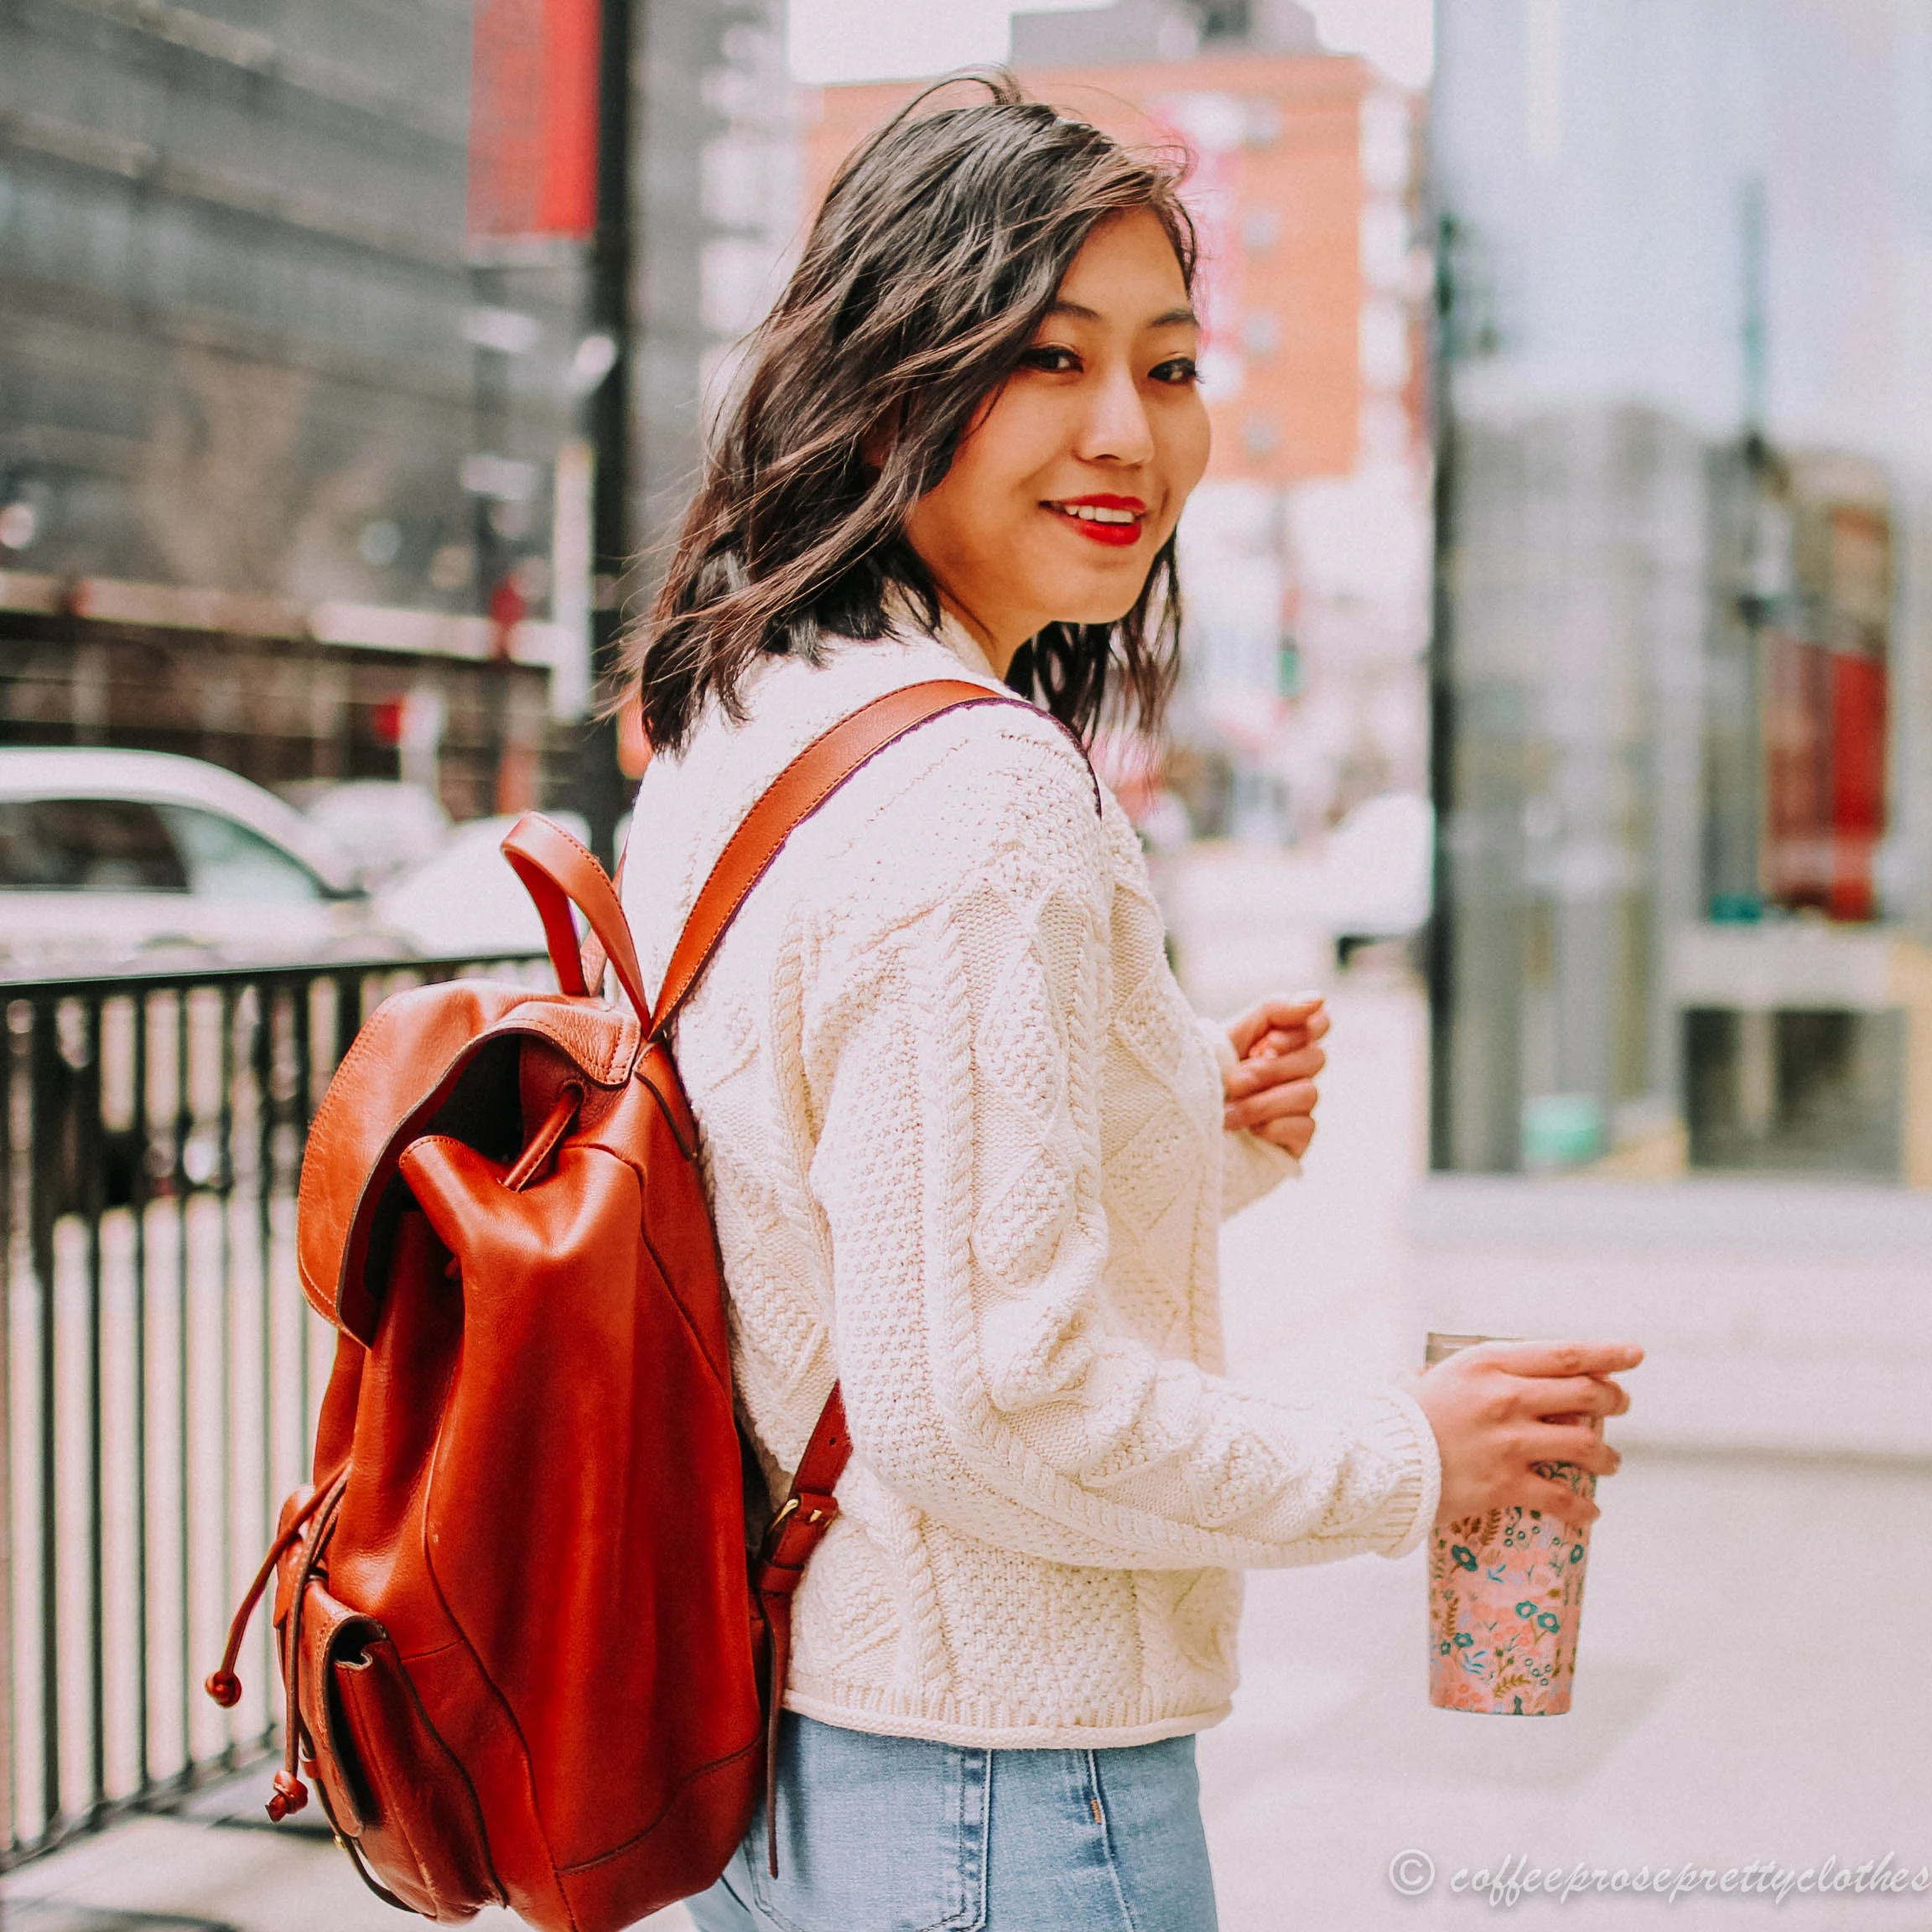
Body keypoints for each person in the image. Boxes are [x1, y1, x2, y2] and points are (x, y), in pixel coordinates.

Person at [615, 75, 1640, 1932]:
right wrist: (1413, 1459)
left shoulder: (741, 718)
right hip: (992, 1788)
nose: (1127, 435)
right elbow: (991, 1410)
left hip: (769, 1760)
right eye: (1048, 357)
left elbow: (808, 1205)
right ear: (893, 371)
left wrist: (1176, 1135)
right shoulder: (977, 792)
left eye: (1168, 368)